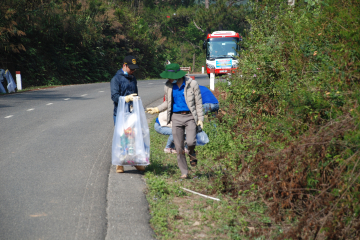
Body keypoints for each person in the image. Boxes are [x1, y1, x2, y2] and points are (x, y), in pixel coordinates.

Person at [146, 63, 204, 179]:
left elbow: (198, 103)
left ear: (177, 75)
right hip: (176, 118)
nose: (168, 78)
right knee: (179, 147)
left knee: (191, 141)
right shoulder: (168, 86)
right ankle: (184, 172)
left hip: (190, 117)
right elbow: (167, 103)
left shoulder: (192, 84)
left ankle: (192, 153)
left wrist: (200, 119)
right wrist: (157, 109)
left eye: (170, 76)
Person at [156, 85, 218, 153]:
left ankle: (190, 144)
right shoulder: (201, 87)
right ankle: (215, 137)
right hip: (216, 104)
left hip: (207, 105)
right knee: (213, 121)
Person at [110, 55, 145, 173]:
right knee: (122, 137)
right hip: (120, 113)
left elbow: (136, 93)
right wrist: (125, 99)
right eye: (131, 68)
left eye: (135, 69)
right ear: (124, 66)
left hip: (132, 113)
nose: (133, 71)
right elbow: (114, 97)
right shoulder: (116, 79)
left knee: (133, 137)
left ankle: (134, 161)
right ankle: (119, 164)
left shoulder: (133, 78)